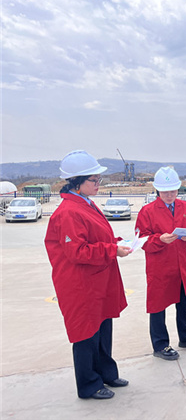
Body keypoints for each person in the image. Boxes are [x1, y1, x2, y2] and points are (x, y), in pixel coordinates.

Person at [45, 150, 131, 400]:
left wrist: (116, 243)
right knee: (86, 334)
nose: (98, 184)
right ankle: (89, 384)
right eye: (94, 180)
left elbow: (95, 238)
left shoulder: (85, 203)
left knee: (103, 328)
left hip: (97, 278)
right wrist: (112, 250)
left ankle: (106, 373)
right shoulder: (69, 212)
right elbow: (77, 251)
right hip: (80, 283)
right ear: (76, 182)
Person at [135, 167, 186, 361]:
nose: (169, 195)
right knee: (158, 306)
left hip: (183, 264)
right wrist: (159, 239)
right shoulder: (147, 211)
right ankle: (160, 344)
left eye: (173, 191)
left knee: (184, 303)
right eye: (165, 192)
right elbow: (141, 239)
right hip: (160, 266)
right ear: (158, 190)